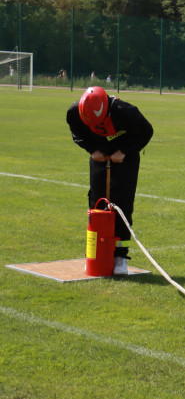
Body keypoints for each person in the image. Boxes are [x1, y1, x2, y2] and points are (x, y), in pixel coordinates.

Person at [66, 86, 154, 275]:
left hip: (125, 157)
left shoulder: (125, 111)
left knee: (122, 206)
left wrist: (123, 152)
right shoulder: (75, 112)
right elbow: (77, 132)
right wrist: (92, 150)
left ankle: (120, 256)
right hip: (99, 156)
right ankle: (95, 253)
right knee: (96, 204)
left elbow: (146, 131)